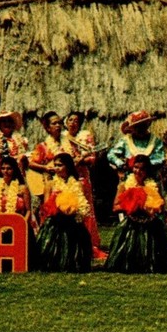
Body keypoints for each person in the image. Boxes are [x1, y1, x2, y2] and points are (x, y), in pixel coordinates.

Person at [104, 154, 167, 274]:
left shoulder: (153, 186)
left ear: (147, 171)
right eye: (136, 167)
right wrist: (132, 205)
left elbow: (161, 207)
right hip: (131, 224)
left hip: (150, 224)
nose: (138, 171)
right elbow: (115, 207)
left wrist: (149, 207)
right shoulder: (124, 185)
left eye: (142, 169)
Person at [36, 153, 92, 273]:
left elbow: (82, 202)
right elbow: (46, 206)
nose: (57, 168)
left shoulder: (78, 184)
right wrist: (57, 206)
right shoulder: (50, 184)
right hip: (55, 221)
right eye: (55, 165)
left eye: (60, 165)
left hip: (73, 220)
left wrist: (73, 210)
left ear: (68, 166)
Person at [61, 111, 105, 259]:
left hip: (81, 178)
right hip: (65, 179)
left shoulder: (85, 137)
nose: (73, 123)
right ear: (66, 122)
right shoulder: (61, 138)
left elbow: (92, 158)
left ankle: (87, 243)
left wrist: (81, 160)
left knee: (84, 209)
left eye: (76, 121)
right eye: (70, 120)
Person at [0, 156, 39, 269]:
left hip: (19, 227)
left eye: (9, 168)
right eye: (3, 168)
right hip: (0, 227)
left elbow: (28, 210)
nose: (6, 171)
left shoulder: (22, 188)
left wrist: (21, 225)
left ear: (14, 170)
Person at [107, 110, 166, 182]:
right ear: (132, 128)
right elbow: (111, 154)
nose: (140, 129)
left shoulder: (155, 141)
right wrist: (121, 164)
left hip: (150, 179)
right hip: (129, 179)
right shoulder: (125, 141)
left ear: (147, 125)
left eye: (142, 126)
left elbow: (160, 158)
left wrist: (145, 165)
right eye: (137, 127)